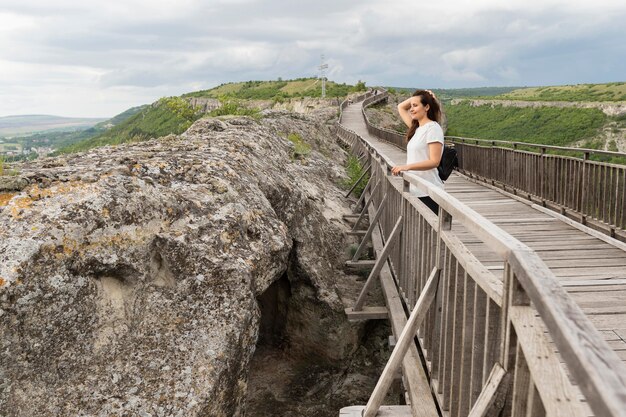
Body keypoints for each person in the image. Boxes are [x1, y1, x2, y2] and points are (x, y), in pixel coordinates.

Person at [391, 90, 443, 214]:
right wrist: (423, 95)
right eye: (411, 106)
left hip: (428, 192)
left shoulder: (433, 128)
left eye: (415, 106)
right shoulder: (417, 128)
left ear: (426, 107)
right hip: (415, 189)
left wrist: (407, 167)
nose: (411, 109)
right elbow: (401, 107)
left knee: (428, 232)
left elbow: (434, 162)